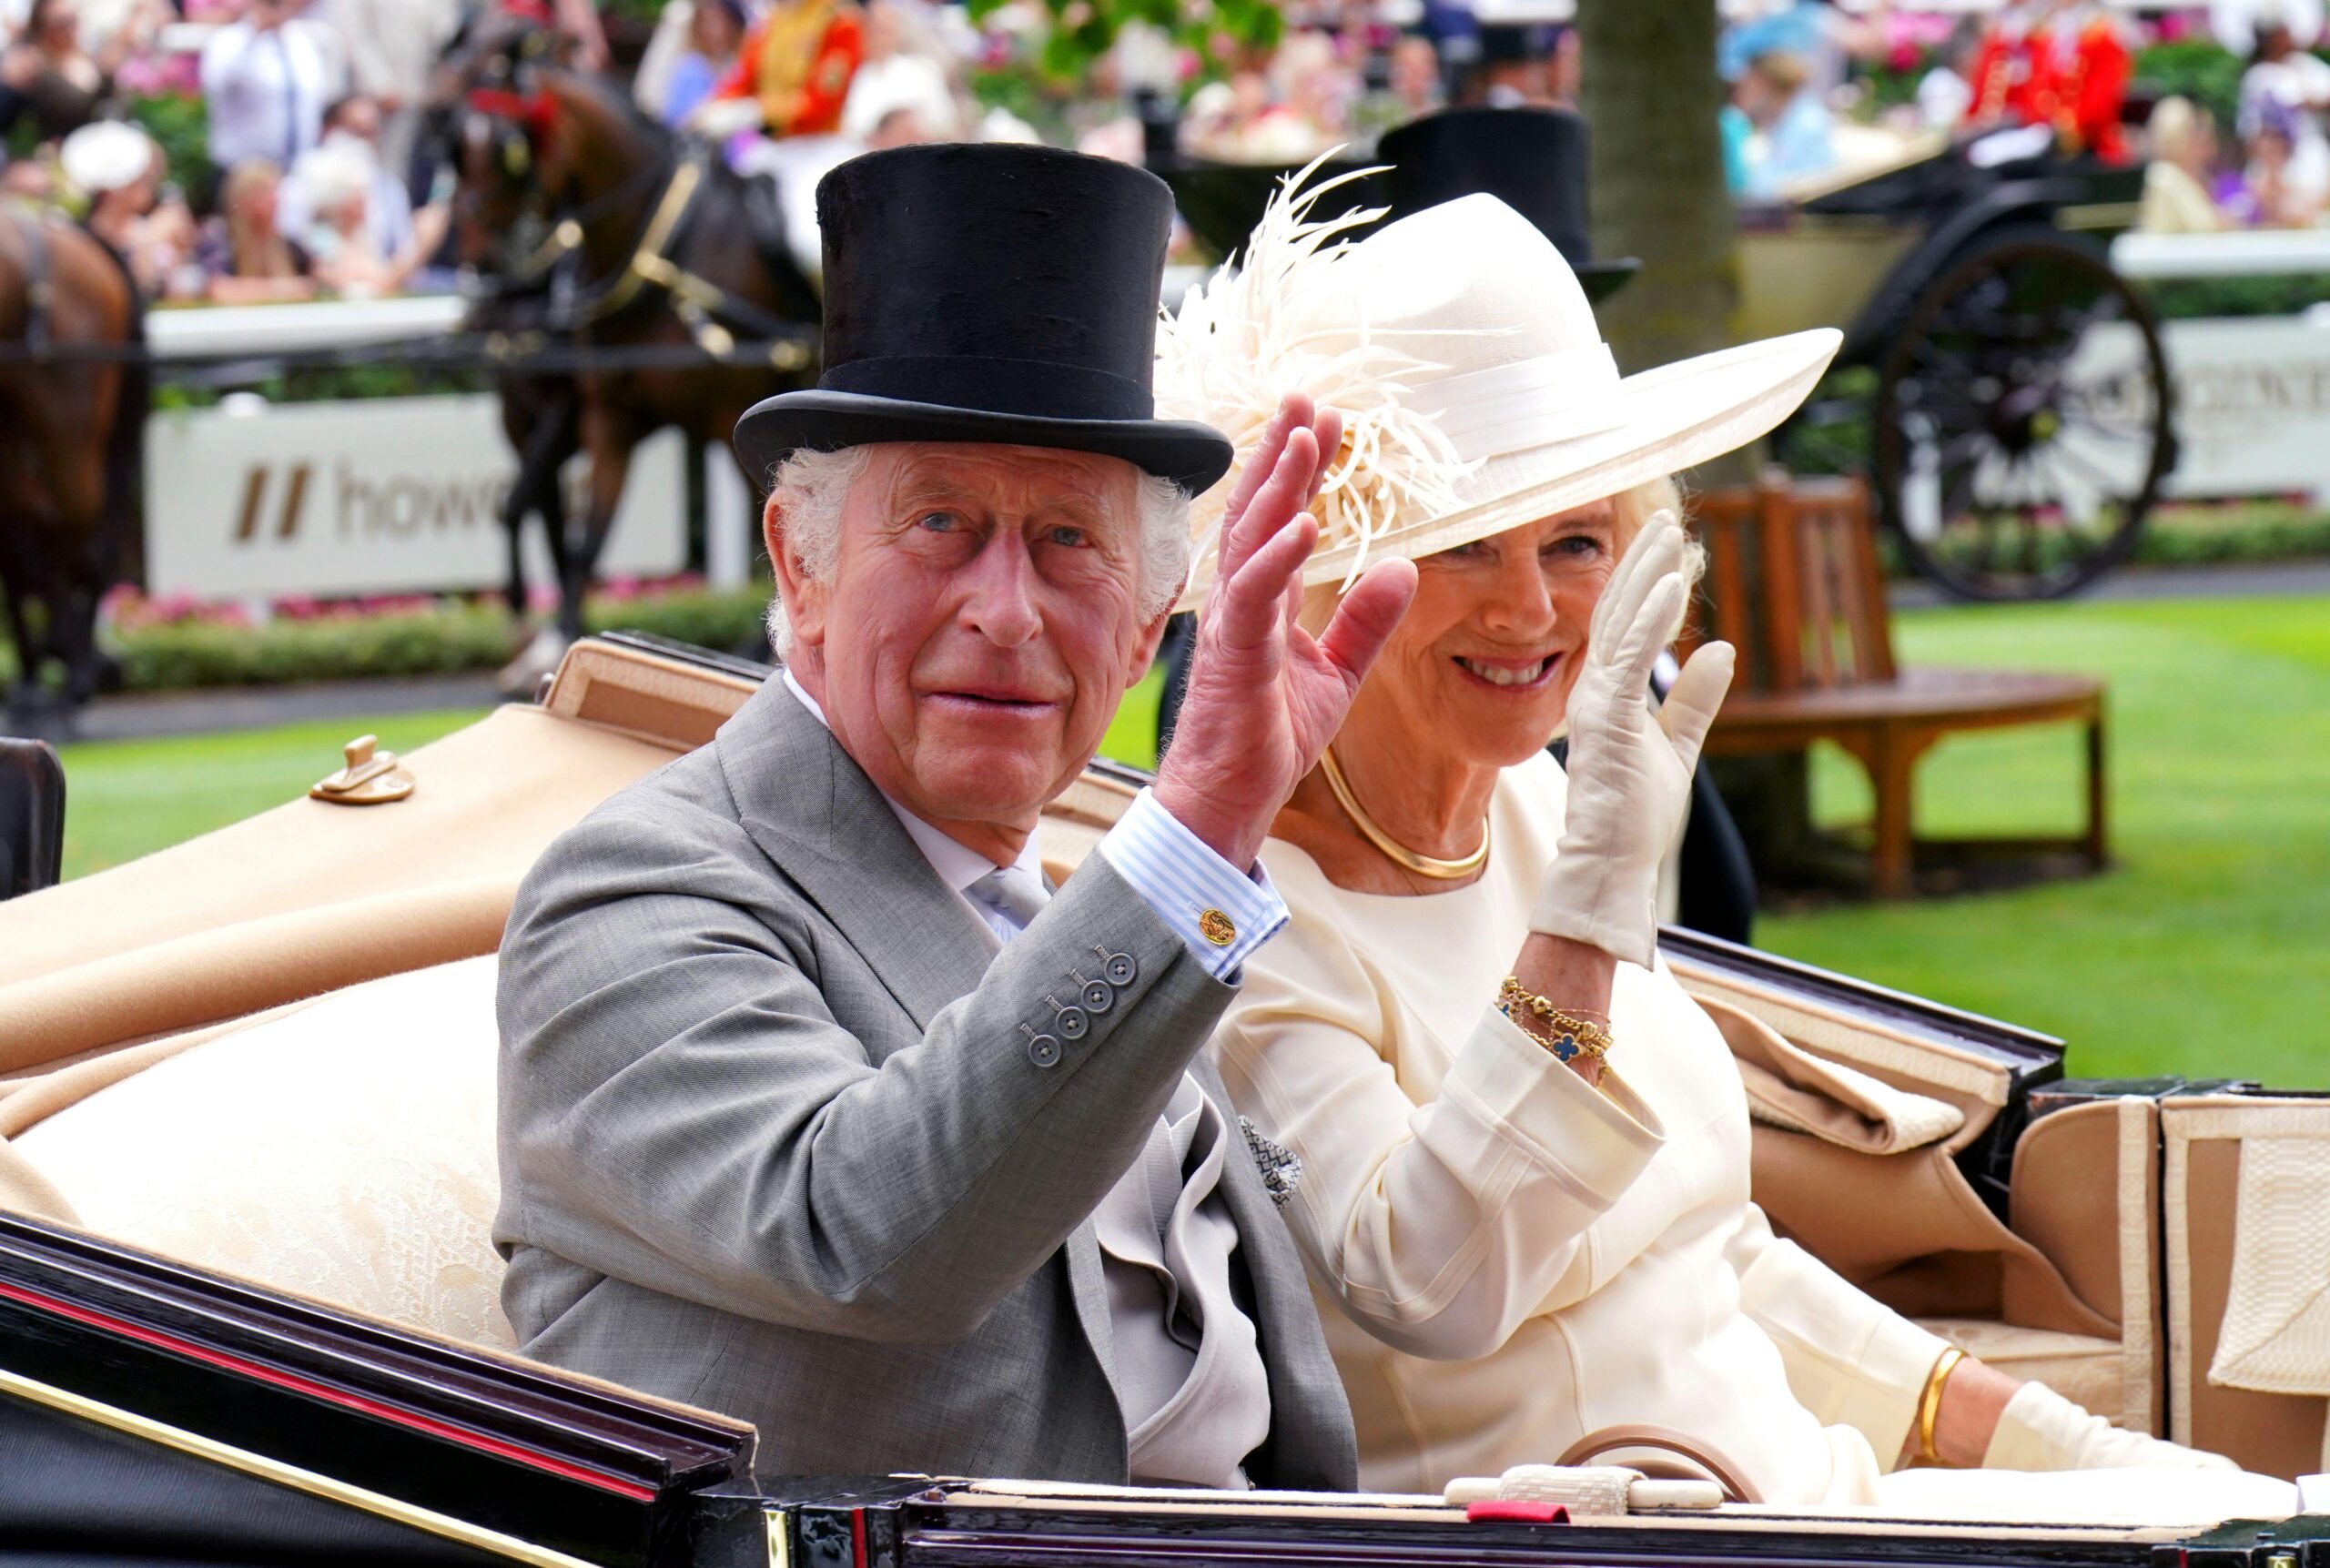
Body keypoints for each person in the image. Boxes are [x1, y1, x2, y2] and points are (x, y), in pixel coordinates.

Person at [1156, 180, 2304, 1523]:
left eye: (1576, 539)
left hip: (1817, 1495)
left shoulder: (1535, 806)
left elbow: (1710, 1253)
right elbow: (1428, 1286)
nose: (1529, 605)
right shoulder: (1253, 917)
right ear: (1341, 582)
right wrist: (1585, 923)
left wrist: (2057, 1441)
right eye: (1464, 545)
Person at [494, 143, 1422, 1487]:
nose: (1006, 609)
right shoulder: (633, 891)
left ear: (1153, 611)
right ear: (798, 564)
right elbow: (870, 1231)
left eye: (1069, 541)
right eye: (939, 523)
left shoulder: (1074, 890)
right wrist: (1196, 832)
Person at [199, 0, 348, 193]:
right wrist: (256, 33)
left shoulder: (302, 42)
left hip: (296, 171)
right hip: (243, 172)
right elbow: (219, 84)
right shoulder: (228, 41)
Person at [1728, 49, 1836, 199]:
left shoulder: (1806, 125)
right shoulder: (1780, 121)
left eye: (1746, 85)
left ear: (1763, 83)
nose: (1738, 94)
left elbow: (1776, 192)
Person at [2139, 96, 2227, 232]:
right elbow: (2158, 238)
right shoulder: (2163, 177)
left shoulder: (2191, 179)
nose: (2200, 136)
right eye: (2194, 130)